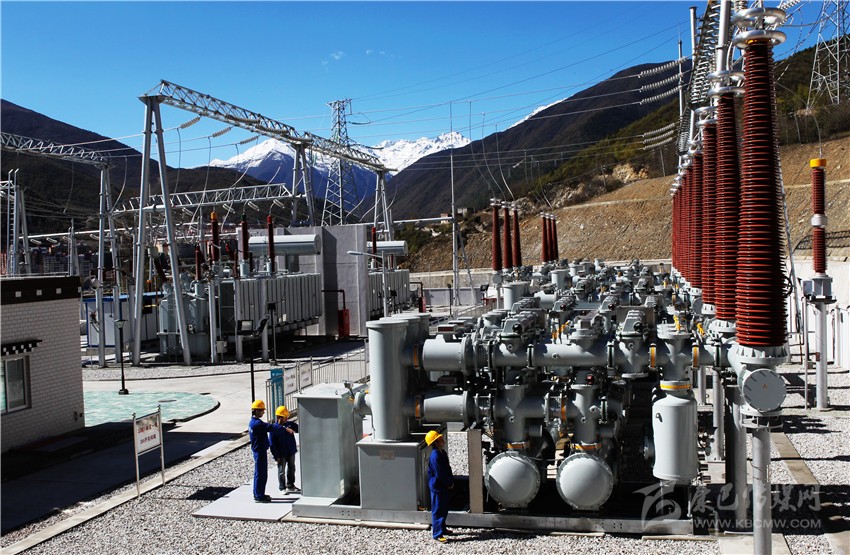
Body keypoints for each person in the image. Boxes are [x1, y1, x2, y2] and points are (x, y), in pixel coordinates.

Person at [425, 430, 454, 543]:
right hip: (438, 487)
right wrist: (448, 483)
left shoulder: (442, 453)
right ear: (435, 442)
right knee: (438, 510)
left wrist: (450, 481)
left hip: (442, 486)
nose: (442, 440)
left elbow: (447, 469)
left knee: (443, 509)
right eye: (440, 439)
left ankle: (442, 528)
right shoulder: (435, 456)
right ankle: (437, 534)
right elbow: (439, 473)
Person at [268, 405, 300, 493]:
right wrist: (276, 456)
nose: (286, 418)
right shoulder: (274, 429)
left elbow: (299, 429)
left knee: (291, 469)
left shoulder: (290, 425)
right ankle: (282, 487)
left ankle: (290, 485)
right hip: (281, 453)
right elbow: (272, 444)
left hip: (291, 451)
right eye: (285, 417)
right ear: (279, 417)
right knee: (281, 471)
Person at [248, 399, 272, 503]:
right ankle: (259, 496)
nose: (263, 412)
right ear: (257, 411)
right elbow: (270, 427)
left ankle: (257, 493)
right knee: (261, 474)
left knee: (258, 473)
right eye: (262, 410)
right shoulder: (257, 424)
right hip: (260, 451)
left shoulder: (252, 422)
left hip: (258, 450)